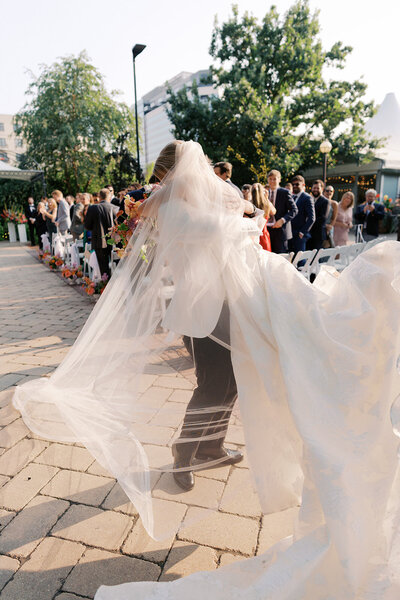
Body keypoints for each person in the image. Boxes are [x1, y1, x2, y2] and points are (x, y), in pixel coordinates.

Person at [12, 140, 400, 599]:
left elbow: (225, 215)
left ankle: (210, 444)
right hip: (204, 315)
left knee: (231, 383)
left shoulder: (175, 201)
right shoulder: (176, 209)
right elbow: (219, 231)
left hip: (220, 308)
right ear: (183, 172)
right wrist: (254, 218)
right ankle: (183, 453)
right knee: (214, 384)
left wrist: (243, 210)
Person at [84, 188, 118, 278]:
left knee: (103, 267)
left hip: (99, 241)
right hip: (114, 241)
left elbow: (87, 226)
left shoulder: (93, 208)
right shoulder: (115, 208)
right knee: (117, 266)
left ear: (99, 197)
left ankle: (105, 286)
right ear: (109, 197)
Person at [266, 169, 297, 253]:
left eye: (274, 179)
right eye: (270, 179)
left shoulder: (285, 192)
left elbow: (294, 210)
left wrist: (282, 220)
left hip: (281, 231)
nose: (272, 181)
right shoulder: (265, 193)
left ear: (279, 179)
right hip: (268, 231)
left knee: (280, 259)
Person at [288, 175, 315, 253]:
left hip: (300, 234)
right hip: (291, 233)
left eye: (297, 184)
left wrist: (303, 232)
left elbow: (312, 218)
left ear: (303, 185)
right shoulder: (292, 197)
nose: (294, 186)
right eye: (293, 185)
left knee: (300, 259)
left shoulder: (307, 198)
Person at [250, 182, 276, 251]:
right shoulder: (266, 204)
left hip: (252, 236)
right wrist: (266, 198)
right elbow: (274, 211)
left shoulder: (249, 204)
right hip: (264, 235)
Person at [306, 180, 329, 251]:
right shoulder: (308, 199)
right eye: (314, 188)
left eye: (317, 188)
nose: (315, 190)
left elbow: (323, 218)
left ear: (322, 189)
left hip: (318, 234)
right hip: (307, 233)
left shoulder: (325, 201)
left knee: (315, 256)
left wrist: (309, 222)